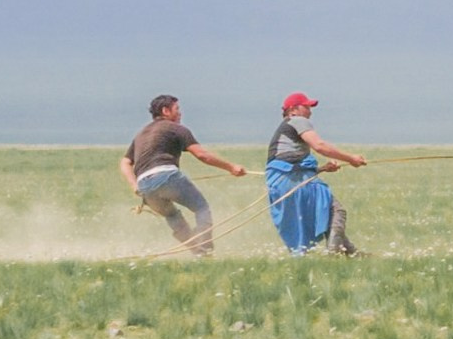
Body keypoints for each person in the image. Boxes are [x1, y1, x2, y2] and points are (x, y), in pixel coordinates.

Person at [119, 94, 247, 256]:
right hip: (167, 176)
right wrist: (231, 167)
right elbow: (202, 155)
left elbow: (125, 162)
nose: (180, 113)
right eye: (177, 109)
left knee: (172, 216)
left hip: (145, 186)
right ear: (166, 111)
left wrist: (134, 186)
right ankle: (205, 249)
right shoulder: (176, 128)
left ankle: (198, 252)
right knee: (201, 208)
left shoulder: (141, 134)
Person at [265, 92, 368, 255]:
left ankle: (352, 254)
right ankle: (334, 254)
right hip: (293, 180)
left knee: (328, 215)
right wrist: (351, 158)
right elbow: (319, 146)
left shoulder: (285, 127)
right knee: (336, 211)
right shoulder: (298, 121)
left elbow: (290, 161)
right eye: (306, 107)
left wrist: (321, 169)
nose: (310, 111)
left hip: (282, 182)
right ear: (293, 109)